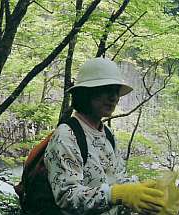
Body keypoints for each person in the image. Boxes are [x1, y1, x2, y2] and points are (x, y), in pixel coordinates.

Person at [44, 58, 165, 215]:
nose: (113, 97)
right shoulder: (66, 135)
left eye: (115, 91)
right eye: (106, 89)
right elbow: (67, 197)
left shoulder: (108, 134)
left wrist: (141, 190)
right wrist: (117, 194)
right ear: (86, 93)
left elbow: (117, 177)